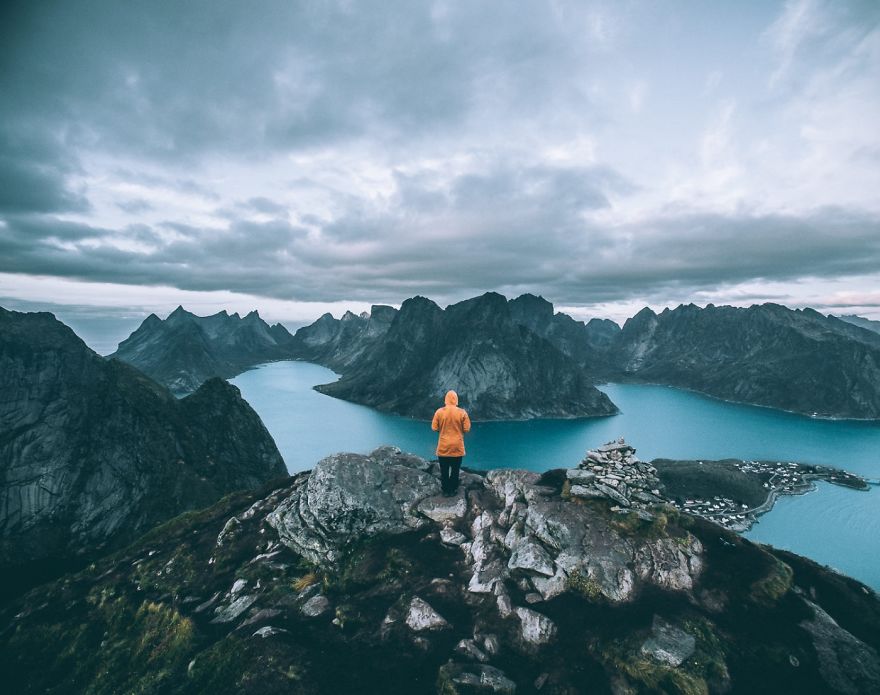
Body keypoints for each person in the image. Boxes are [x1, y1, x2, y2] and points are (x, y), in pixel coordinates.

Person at [431, 390, 471, 496]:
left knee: (444, 470)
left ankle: (445, 491)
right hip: (457, 447)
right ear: (456, 400)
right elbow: (467, 429)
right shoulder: (462, 412)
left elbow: (434, 427)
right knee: (455, 470)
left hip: (443, 446)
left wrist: (443, 428)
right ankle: (453, 490)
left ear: (446, 399)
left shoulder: (439, 412)